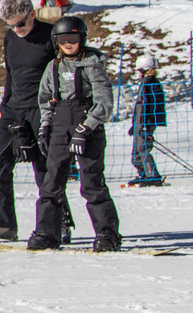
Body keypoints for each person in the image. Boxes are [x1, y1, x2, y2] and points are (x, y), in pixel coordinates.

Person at [0, 0, 73, 243]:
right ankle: (2, 222)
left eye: (20, 24)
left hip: (42, 109)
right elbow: (11, 73)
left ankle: (57, 223)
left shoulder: (51, 36)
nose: (16, 30)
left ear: (32, 14)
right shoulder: (10, 38)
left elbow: (65, 72)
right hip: (12, 110)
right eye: (10, 25)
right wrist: (4, 103)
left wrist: (59, 104)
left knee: (45, 168)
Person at [29, 15, 121, 252]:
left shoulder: (92, 65)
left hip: (86, 127)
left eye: (73, 38)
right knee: (52, 181)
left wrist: (87, 127)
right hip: (61, 124)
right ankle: (48, 232)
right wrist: (45, 127)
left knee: (91, 182)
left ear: (82, 38)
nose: (68, 44)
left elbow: (104, 102)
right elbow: (45, 100)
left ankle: (107, 234)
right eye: (63, 39)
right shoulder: (54, 67)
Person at [128, 53, 166, 186]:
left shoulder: (151, 84)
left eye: (139, 71)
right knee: (136, 151)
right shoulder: (145, 83)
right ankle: (143, 173)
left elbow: (149, 107)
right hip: (140, 122)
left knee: (143, 149)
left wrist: (146, 125)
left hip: (146, 122)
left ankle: (152, 175)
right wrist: (135, 124)